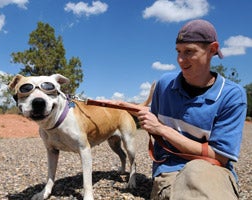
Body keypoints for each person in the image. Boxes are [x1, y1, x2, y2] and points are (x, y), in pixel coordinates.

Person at [99, 19, 247, 199]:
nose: (180, 60)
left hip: (212, 169)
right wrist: (119, 105)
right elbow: (153, 119)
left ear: (212, 50)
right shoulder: (165, 85)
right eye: (178, 52)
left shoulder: (232, 95)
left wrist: (161, 129)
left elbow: (221, 157)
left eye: (189, 52)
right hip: (170, 170)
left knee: (197, 171)